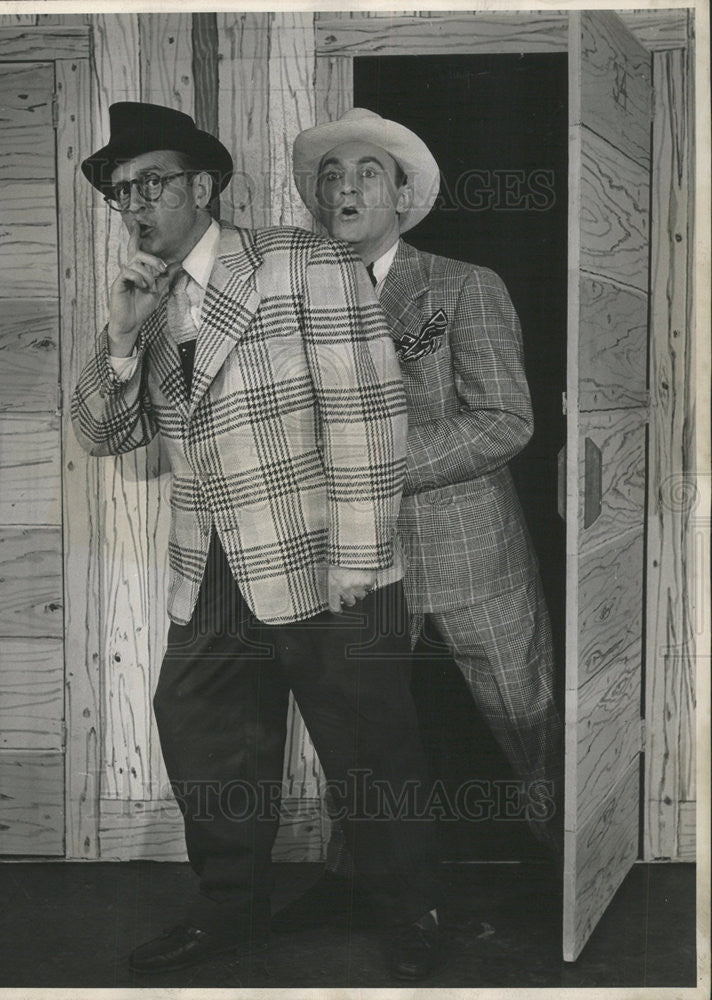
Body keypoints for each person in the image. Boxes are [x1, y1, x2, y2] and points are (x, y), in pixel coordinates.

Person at [72, 102, 443, 980]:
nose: (135, 206)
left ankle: (415, 915)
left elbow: (366, 414)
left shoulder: (300, 260)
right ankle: (230, 915)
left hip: (325, 558)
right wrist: (122, 337)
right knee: (207, 744)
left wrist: (358, 556)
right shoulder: (150, 294)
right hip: (211, 570)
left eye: (151, 183)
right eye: (122, 192)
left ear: (202, 187)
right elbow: (104, 435)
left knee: (371, 750)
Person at [277, 107, 564, 930]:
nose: (345, 186)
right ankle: (360, 879)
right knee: (360, 733)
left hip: (474, 553)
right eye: (332, 174)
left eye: (368, 172)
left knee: (528, 718)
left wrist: (374, 464)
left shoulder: (465, 285)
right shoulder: (297, 296)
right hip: (353, 562)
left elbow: (507, 419)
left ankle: (570, 861)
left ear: (403, 197)